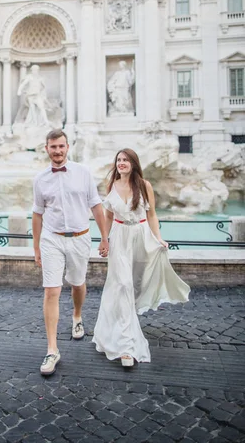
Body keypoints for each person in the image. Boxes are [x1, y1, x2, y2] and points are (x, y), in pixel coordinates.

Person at [93, 148, 190, 366]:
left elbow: (152, 214)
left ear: (134, 164)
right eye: (118, 160)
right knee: (123, 284)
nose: (121, 163)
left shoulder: (144, 186)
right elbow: (108, 216)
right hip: (119, 237)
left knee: (135, 285)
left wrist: (159, 238)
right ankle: (127, 348)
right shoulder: (112, 186)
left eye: (126, 160)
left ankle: (115, 325)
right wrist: (104, 239)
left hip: (141, 236)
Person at [33, 129, 109, 376]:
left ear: (68, 147)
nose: (57, 151)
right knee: (51, 290)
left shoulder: (83, 173)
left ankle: (77, 316)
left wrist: (104, 237)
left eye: (61, 146)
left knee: (78, 283)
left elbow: (96, 206)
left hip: (79, 237)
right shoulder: (40, 179)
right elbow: (37, 214)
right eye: (53, 147)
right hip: (52, 239)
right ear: (46, 148)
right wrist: (36, 247)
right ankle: (52, 349)